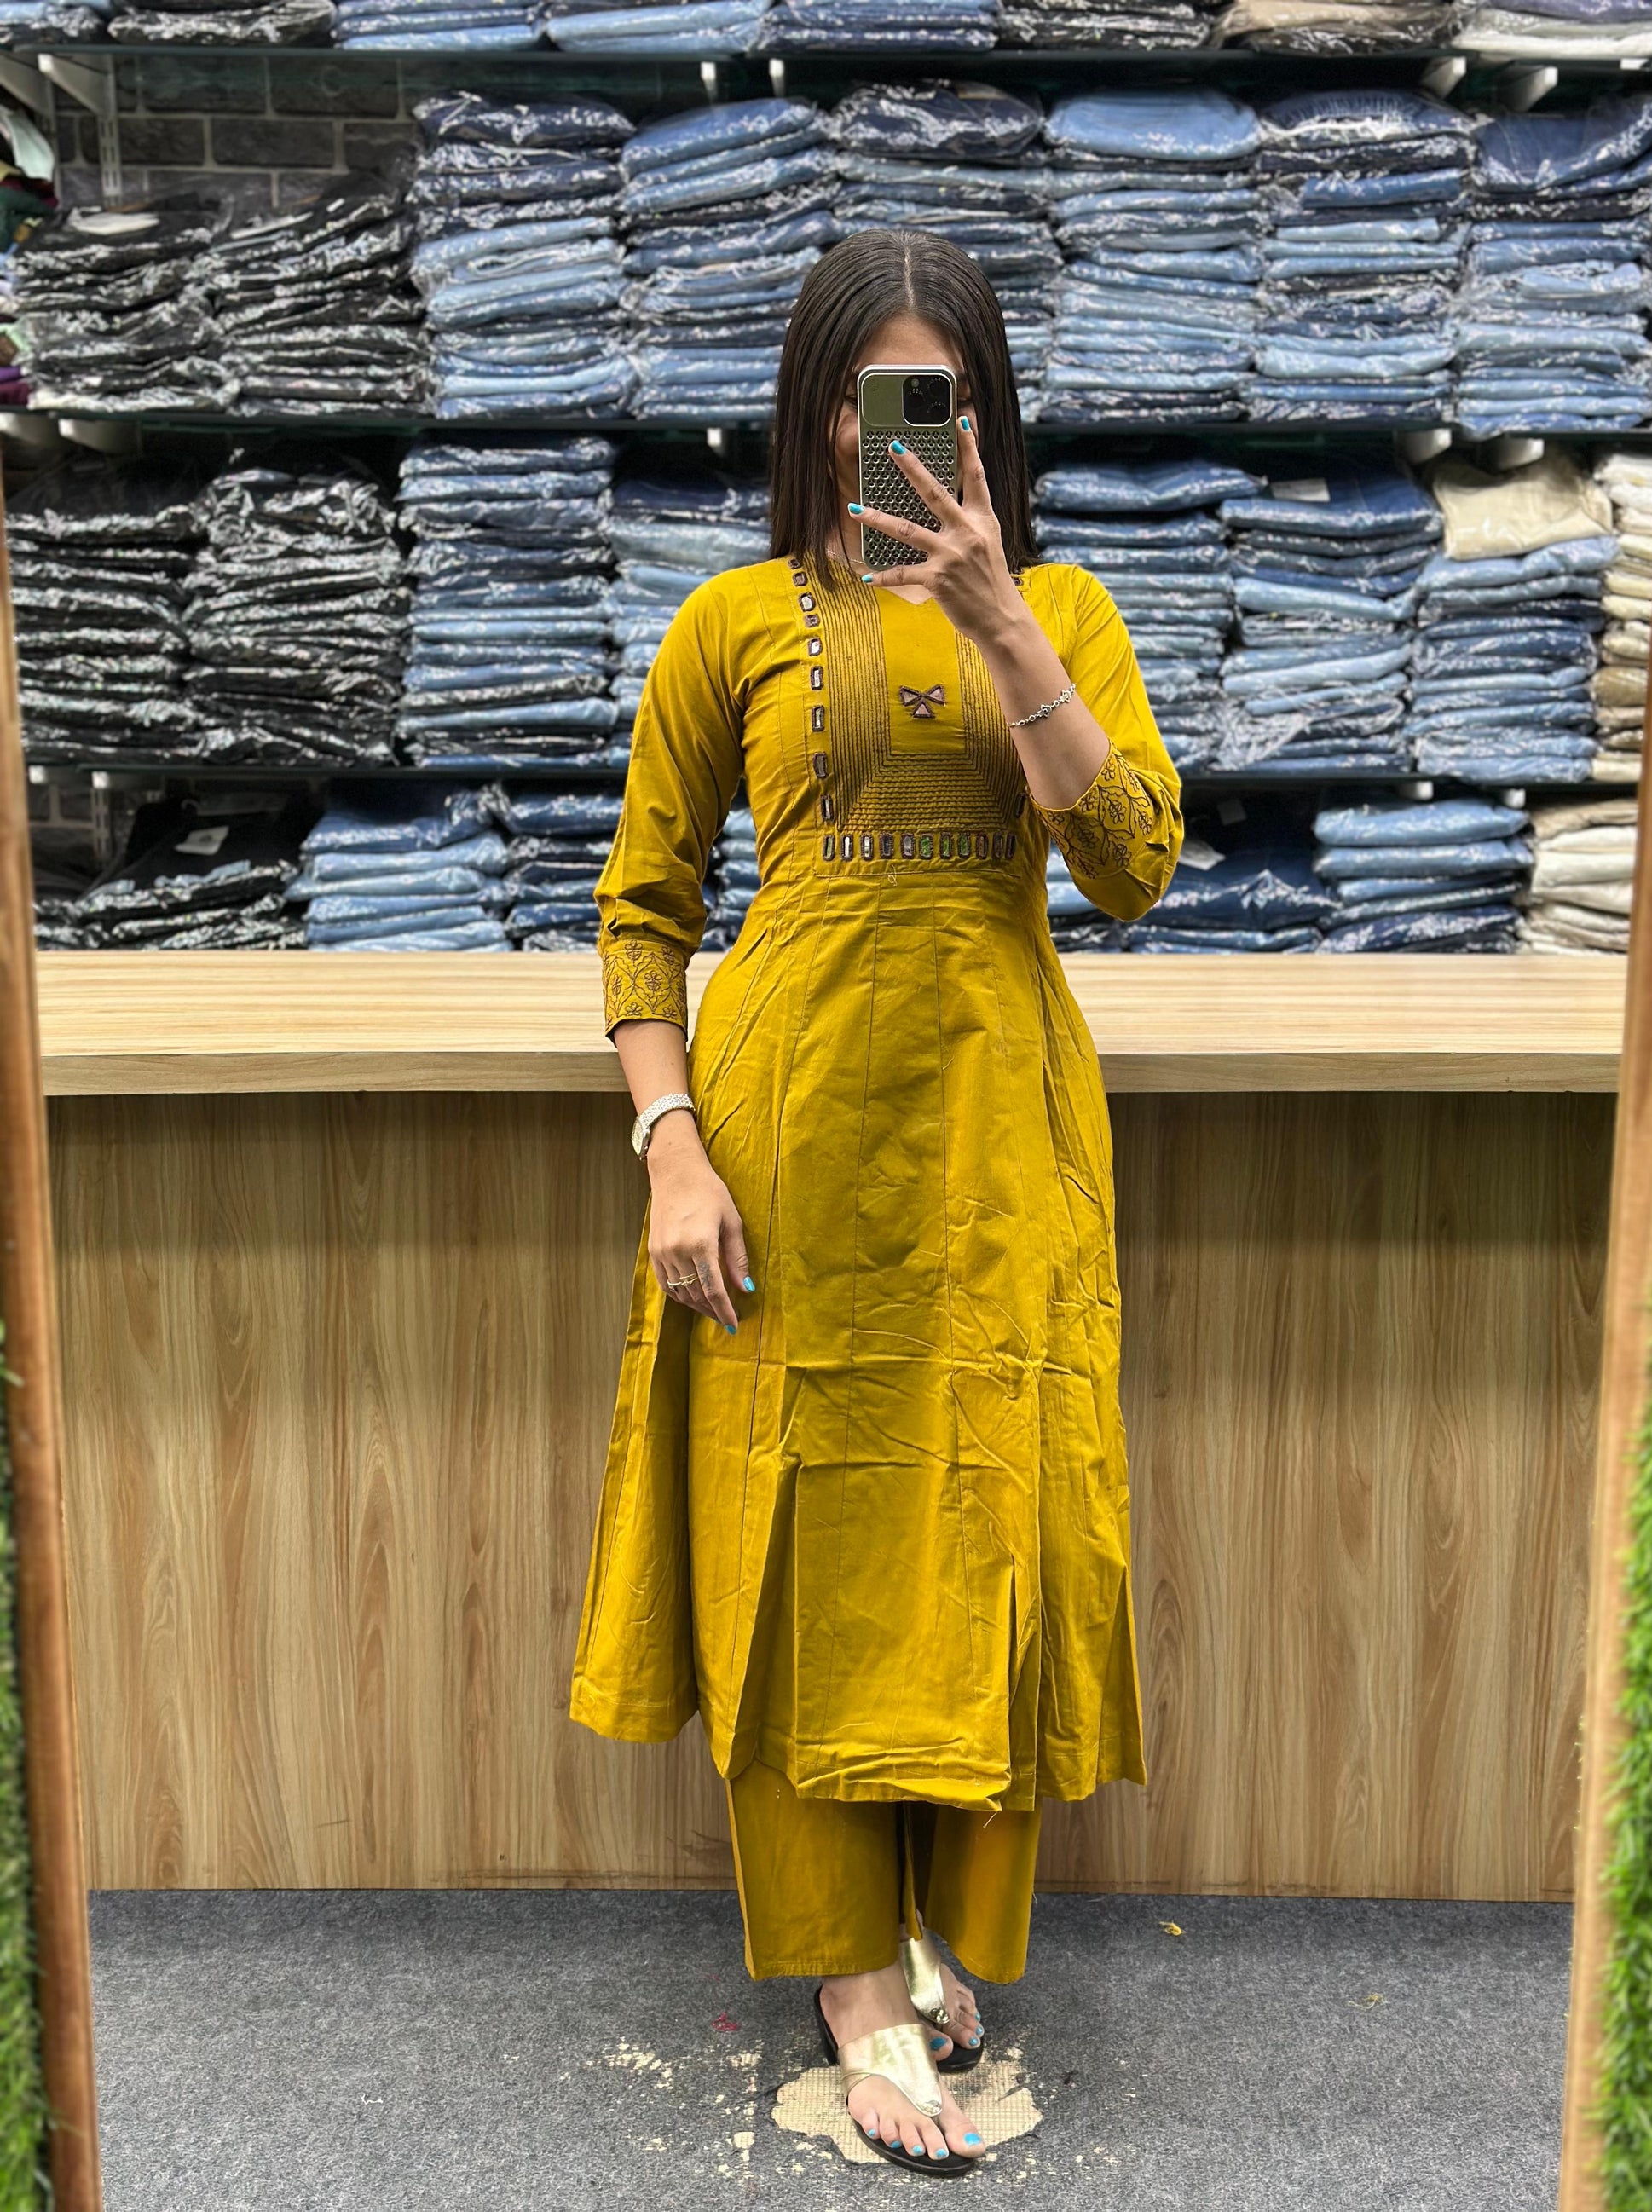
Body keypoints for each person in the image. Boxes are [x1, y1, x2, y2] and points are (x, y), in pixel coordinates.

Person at [569, 226, 1182, 2180]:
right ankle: (848, 1974)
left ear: (986, 415)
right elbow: (642, 906)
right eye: (862, 398)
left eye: (935, 395)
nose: (892, 433)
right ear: (809, 413)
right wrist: (670, 1140)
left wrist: (999, 619)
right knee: (800, 1537)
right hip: (790, 1143)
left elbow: (1132, 862)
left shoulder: (1062, 609)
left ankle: (942, 1927)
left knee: (989, 1517)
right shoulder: (729, 621)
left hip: (1000, 1148)